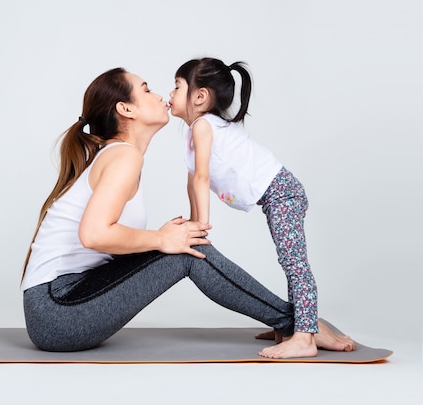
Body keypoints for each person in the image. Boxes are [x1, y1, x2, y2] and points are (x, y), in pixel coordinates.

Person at [21, 67, 354, 358]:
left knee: (180, 239)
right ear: (126, 109)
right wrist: (161, 240)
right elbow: (93, 235)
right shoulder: (123, 157)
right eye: (146, 89)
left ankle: (296, 323)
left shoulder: (118, 156)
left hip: (61, 304)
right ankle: (297, 324)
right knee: (184, 250)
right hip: (57, 314)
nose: (159, 95)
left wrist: (162, 240)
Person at [168, 57, 349, 358]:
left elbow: (202, 178)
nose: (170, 95)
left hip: (283, 192)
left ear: (200, 97)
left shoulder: (203, 125)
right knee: (288, 260)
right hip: (276, 195)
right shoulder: (193, 132)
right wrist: (193, 223)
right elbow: (192, 182)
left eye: (176, 87)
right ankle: (294, 326)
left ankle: (305, 336)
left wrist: (202, 227)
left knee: (294, 262)